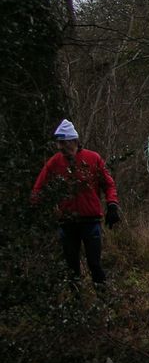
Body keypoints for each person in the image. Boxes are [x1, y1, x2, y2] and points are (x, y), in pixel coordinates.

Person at [31, 119, 121, 286]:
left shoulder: (93, 158)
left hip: (90, 221)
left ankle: (103, 303)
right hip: (67, 223)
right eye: (58, 143)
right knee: (72, 269)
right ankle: (76, 305)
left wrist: (112, 205)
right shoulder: (54, 162)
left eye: (63, 143)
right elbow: (38, 189)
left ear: (74, 141)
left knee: (94, 264)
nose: (60, 147)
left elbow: (108, 184)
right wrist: (40, 211)